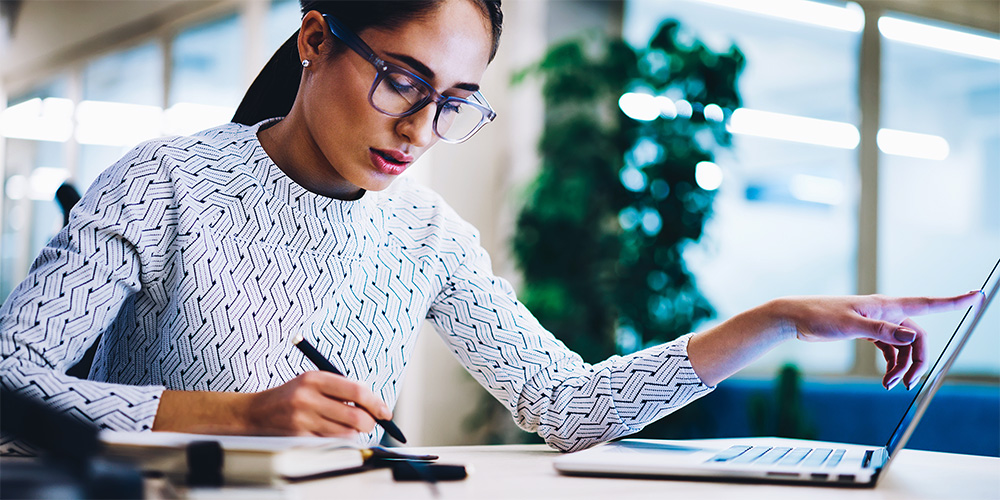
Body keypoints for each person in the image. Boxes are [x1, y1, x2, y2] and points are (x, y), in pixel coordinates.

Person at [0, 0, 981, 455]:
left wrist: (771, 319)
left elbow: (564, 401)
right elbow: (11, 378)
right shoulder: (166, 180)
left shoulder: (427, 232)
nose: (422, 130)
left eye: (455, 100)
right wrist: (234, 413)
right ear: (314, 39)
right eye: (401, 79)